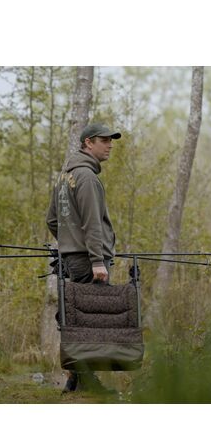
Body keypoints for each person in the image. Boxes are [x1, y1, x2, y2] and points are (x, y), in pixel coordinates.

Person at [46, 123, 121, 393]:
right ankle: (88, 383)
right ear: (88, 142)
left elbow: (52, 220)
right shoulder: (87, 177)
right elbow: (92, 223)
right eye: (104, 140)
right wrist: (97, 260)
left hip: (74, 259)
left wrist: (69, 244)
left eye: (111, 140)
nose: (109, 145)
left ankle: (74, 381)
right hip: (90, 262)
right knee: (90, 322)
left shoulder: (65, 177)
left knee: (77, 319)